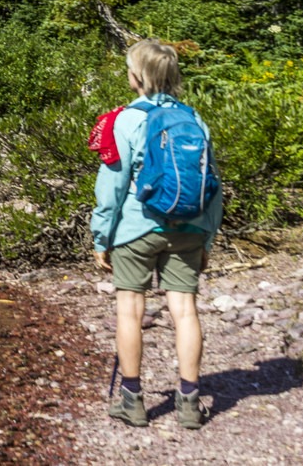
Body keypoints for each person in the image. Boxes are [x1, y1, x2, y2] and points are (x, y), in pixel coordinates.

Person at [91, 38, 223, 430]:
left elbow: (111, 188)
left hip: (136, 226)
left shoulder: (125, 120)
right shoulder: (194, 119)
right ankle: (188, 403)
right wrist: (207, 238)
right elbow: (213, 185)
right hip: (189, 228)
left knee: (130, 309)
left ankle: (132, 401)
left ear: (137, 77)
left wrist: (102, 238)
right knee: (184, 310)